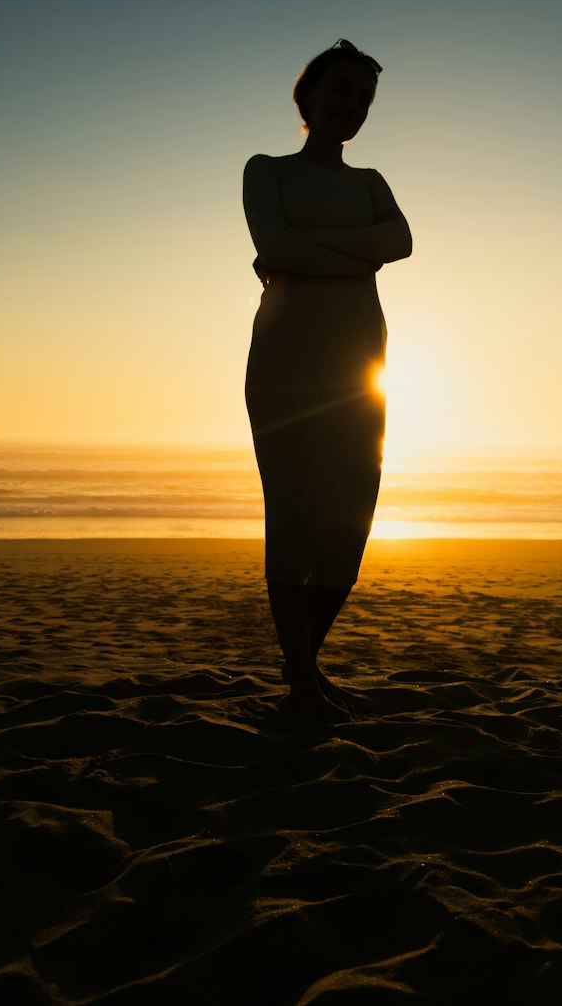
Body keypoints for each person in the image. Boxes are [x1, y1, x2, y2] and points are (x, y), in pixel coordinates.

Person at [243, 39, 412, 719]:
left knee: (350, 524)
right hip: (285, 360)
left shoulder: (371, 182)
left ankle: (305, 670)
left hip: (359, 364)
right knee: (292, 515)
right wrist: (352, 257)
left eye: (365, 99)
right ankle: (303, 683)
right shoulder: (267, 170)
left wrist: (303, 257)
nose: (353, 106)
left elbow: (399, 240)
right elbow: (274, 244)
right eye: (341, 91)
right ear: (307, 98)